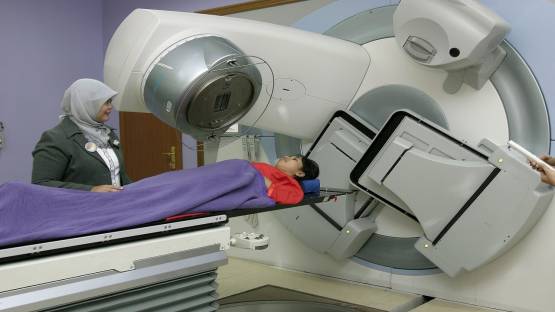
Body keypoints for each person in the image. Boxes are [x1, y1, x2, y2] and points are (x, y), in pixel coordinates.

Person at [32, 79, 131, 192]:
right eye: (105, 102)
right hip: (80, 208)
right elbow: (41, 185)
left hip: (113, 206)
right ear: (85, 104)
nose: (110, 107)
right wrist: (91, 190)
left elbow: (119, 176)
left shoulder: (107, 133)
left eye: (110, 101)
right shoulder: (56, 138)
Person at [252, 155, 319, 204]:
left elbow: (274, 192)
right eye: (290, 156)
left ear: (300, 173)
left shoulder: (295, 192)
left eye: (295, 159)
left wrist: (253, 171)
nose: (285, 156)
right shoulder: (269, 168)